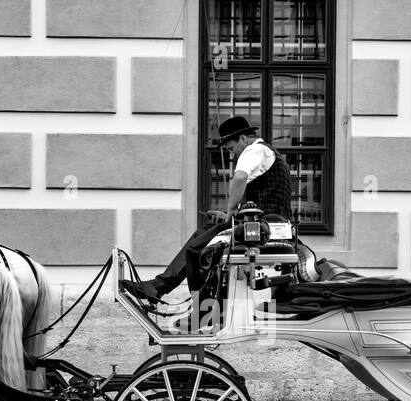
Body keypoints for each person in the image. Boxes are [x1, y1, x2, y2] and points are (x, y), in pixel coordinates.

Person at [121, 115, 293, 303]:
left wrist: (230, 210)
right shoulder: (267, 154)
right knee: (198, 236)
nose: (233, 155)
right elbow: (260, 198)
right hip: (267, 225)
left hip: (264, 229)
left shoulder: (255, 150)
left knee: (195, 250)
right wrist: (230, 215)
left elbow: (240, 177)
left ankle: (203, 307)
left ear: (243, 139)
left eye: (231, 148)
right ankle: (160, 288)